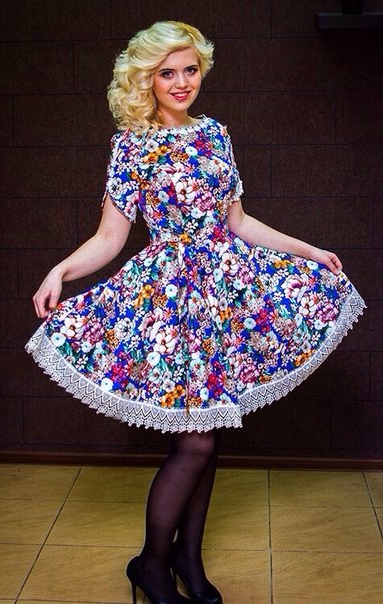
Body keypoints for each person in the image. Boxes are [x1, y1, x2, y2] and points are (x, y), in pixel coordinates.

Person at [26, 20, 366, 604]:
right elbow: (110, 238)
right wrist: (61, 270)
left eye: (190, 70)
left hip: (225, 296)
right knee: (197, 442)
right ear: (147, 79)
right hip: (171, 302)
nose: (181, 82)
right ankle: (152, 564)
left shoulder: (215, 134)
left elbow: (239, 222)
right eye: (167, 73)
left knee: (209, 435)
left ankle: (188, 557)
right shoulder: (132, 144)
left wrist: (309, 250)